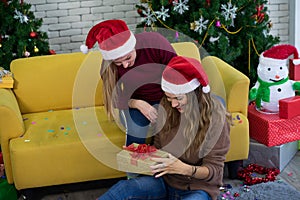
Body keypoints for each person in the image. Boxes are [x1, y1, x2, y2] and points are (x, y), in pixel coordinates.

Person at [97, 56, 231, 200]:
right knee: (125, 188)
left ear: (195, 94)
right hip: (164, 181)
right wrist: (140, 154)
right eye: (169, 98)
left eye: (178, 98)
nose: (173, 104)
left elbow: (215, 171)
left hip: (197, 188)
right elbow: (159, 148)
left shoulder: (217, 119)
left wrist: (184, 169)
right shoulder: (166, 108)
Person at [81, 19, 177, 147]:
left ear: (133, 46)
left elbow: (177, 71)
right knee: (137, 130)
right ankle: (133, 165)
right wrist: (136, 103)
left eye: (128, 58)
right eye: (119, 63)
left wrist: (171, 101)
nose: (125, 65)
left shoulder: (154, 42)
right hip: (132, 103)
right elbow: (113, 96)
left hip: (168, 97)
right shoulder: (108, 66)